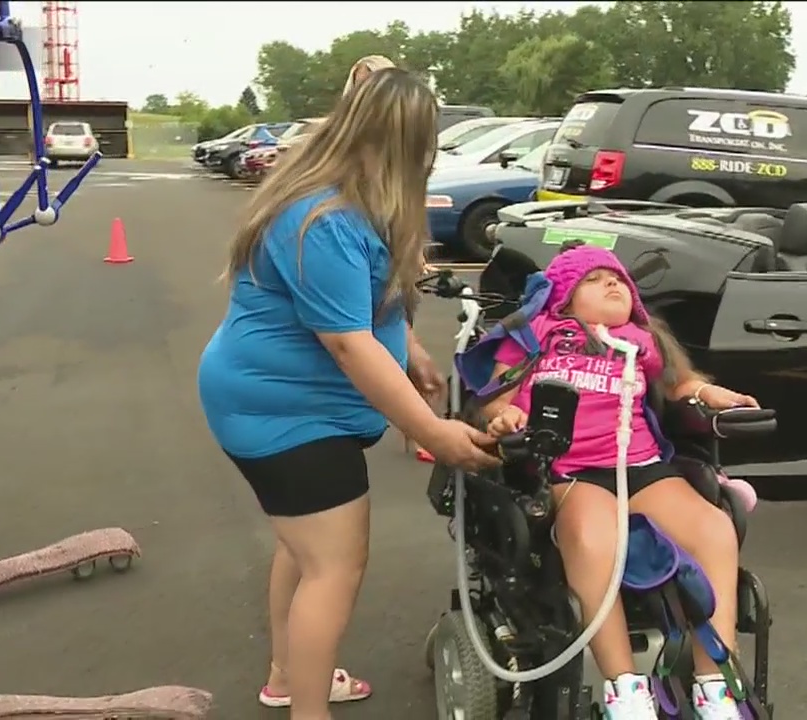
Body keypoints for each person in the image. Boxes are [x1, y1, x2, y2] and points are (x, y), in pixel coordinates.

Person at [198, 67, 499, 720]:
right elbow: (348, 343)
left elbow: (367, 313)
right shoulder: (324, 215)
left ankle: (287, 674)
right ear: (404, 142)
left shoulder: (353, 198)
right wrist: (432, 431)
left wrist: (413, 349)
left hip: (286, 404)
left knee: (304, 550)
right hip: (282, 414)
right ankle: (309, 710)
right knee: (334, 566)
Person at [478, 244, 758, 720]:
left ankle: (716, 686)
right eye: (595, 279)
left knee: (714, 528)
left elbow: (679, 385)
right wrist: (505, 417)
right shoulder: (535, 334)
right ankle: (625, 689)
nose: (613, 284)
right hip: (571, 470)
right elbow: (495, 397)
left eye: (619, 280)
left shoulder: (642, 340)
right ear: (563, 298)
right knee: (592, 537)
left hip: (642, 466)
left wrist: (711, 393)